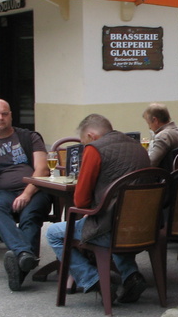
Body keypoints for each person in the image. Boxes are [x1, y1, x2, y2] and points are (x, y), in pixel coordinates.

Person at [46, 114, 152, 303]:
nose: (84, 146)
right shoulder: (139, 147)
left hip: (110, 229)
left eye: (83, 141)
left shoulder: (95, 150)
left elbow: (80, 201)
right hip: (142, 228)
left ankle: (93, 279)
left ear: (91, 136)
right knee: (117, 215)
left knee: (54, 233)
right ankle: (131, 276)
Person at [0, 99, 52, 292]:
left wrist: (26, 193)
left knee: (30, 217)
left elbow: (42, 169)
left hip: (35, 189)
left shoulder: (29, 137)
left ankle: (20, 267)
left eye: (5, 114)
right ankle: (24, 254)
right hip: (5, 192)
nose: (1, 118)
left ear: (11, 116)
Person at [141, 103, 178, 170]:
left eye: (148, 123)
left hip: (170, 177)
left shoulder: (163, 136)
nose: (149, 127)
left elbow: (151, 163)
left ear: (155, 120)